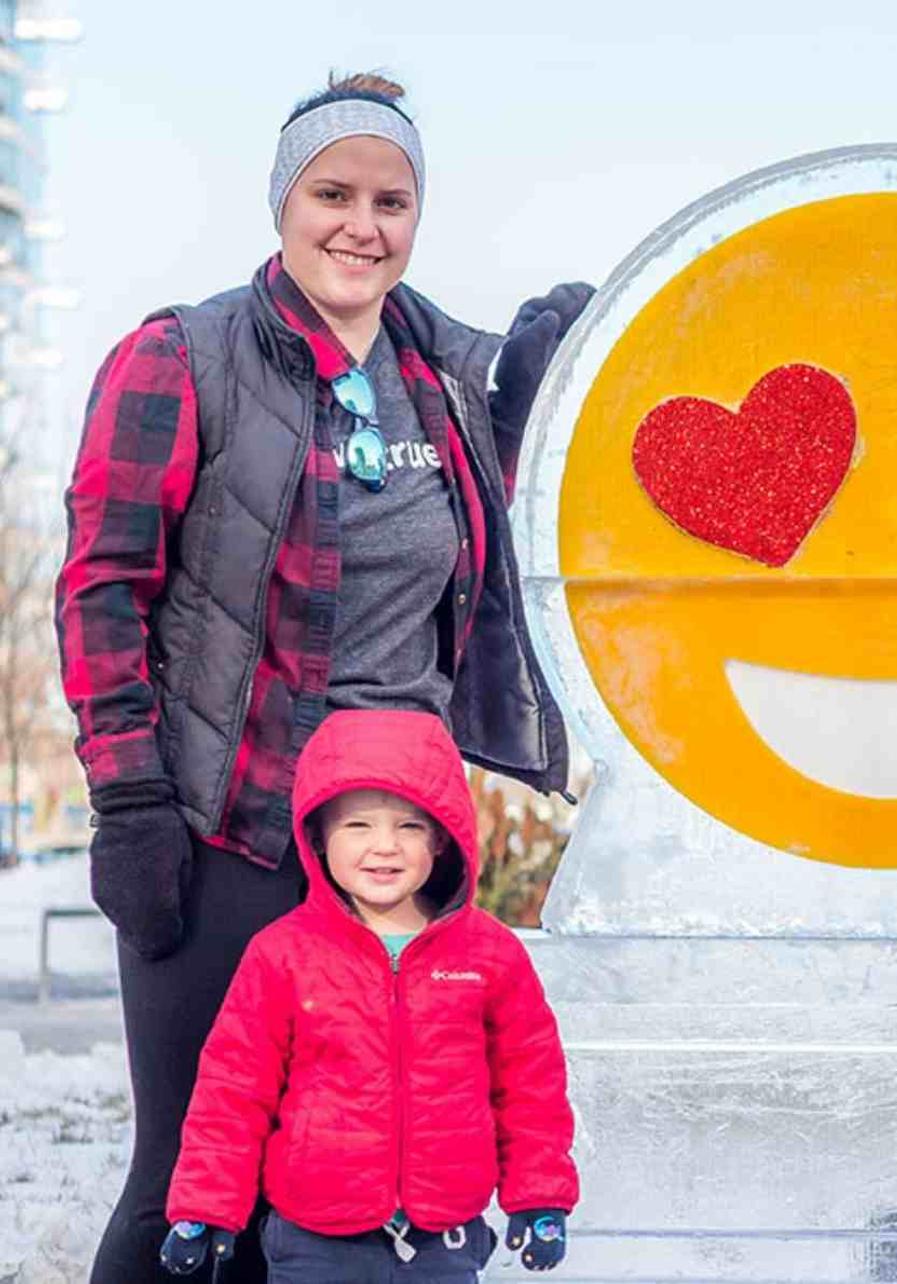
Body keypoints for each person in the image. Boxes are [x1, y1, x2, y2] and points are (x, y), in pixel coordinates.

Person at [54, 70, 586, 1282]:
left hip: (391, 840)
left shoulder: (441, 380)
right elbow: (101, 588)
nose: (363, 224)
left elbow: (506, 533)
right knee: (193, 1182)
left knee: (343, 1187)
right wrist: (130, 803)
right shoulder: (181, 357)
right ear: (283, 203)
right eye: (332, 193)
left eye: (391, 200)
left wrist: (564, 380)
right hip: (225, 829)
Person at [156, 708, 577, 1279]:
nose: (385, 846)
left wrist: (539, 1194)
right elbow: (233, 1088)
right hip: (315, 1239)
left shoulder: (489, 956)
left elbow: (530, 1085)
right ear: (319, 836)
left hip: (443, 1240)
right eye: (357, 825)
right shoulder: (282, 955)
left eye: (409, 826)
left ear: (443, 838)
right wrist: (206, 1208)